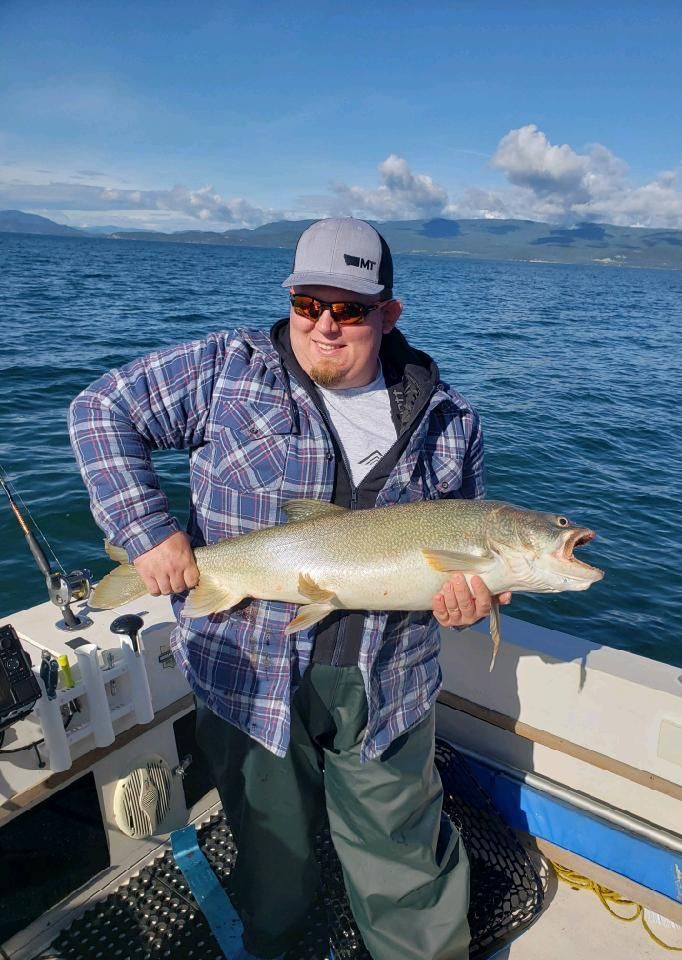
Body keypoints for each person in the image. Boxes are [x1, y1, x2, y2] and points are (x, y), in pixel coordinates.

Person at [69, 218, 510, 960]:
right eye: (309, 304)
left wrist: (469, 608)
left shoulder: (451, 421)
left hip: (389, 681)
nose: (325, 326)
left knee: (406, 864)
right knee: (273, 866)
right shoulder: (229, 369)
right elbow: (100, 409)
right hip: (247, 673)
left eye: (350, 309)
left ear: (388, 313)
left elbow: (461, 569)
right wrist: (145, 531)